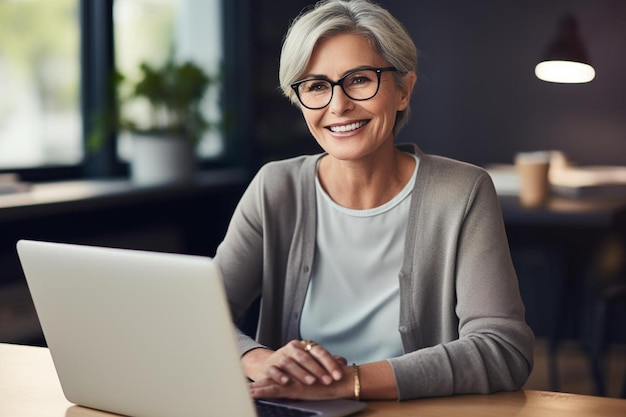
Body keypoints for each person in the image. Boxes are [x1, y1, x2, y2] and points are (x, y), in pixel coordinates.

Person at [214, 0, 534, 402]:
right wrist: (262, 361)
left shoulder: (462, 192)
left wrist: (349, 382)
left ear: (403, 90)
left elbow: (503, 349)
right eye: (315, 86)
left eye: (360, 79)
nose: (338, 105)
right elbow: (202, 315)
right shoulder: (275, 188)